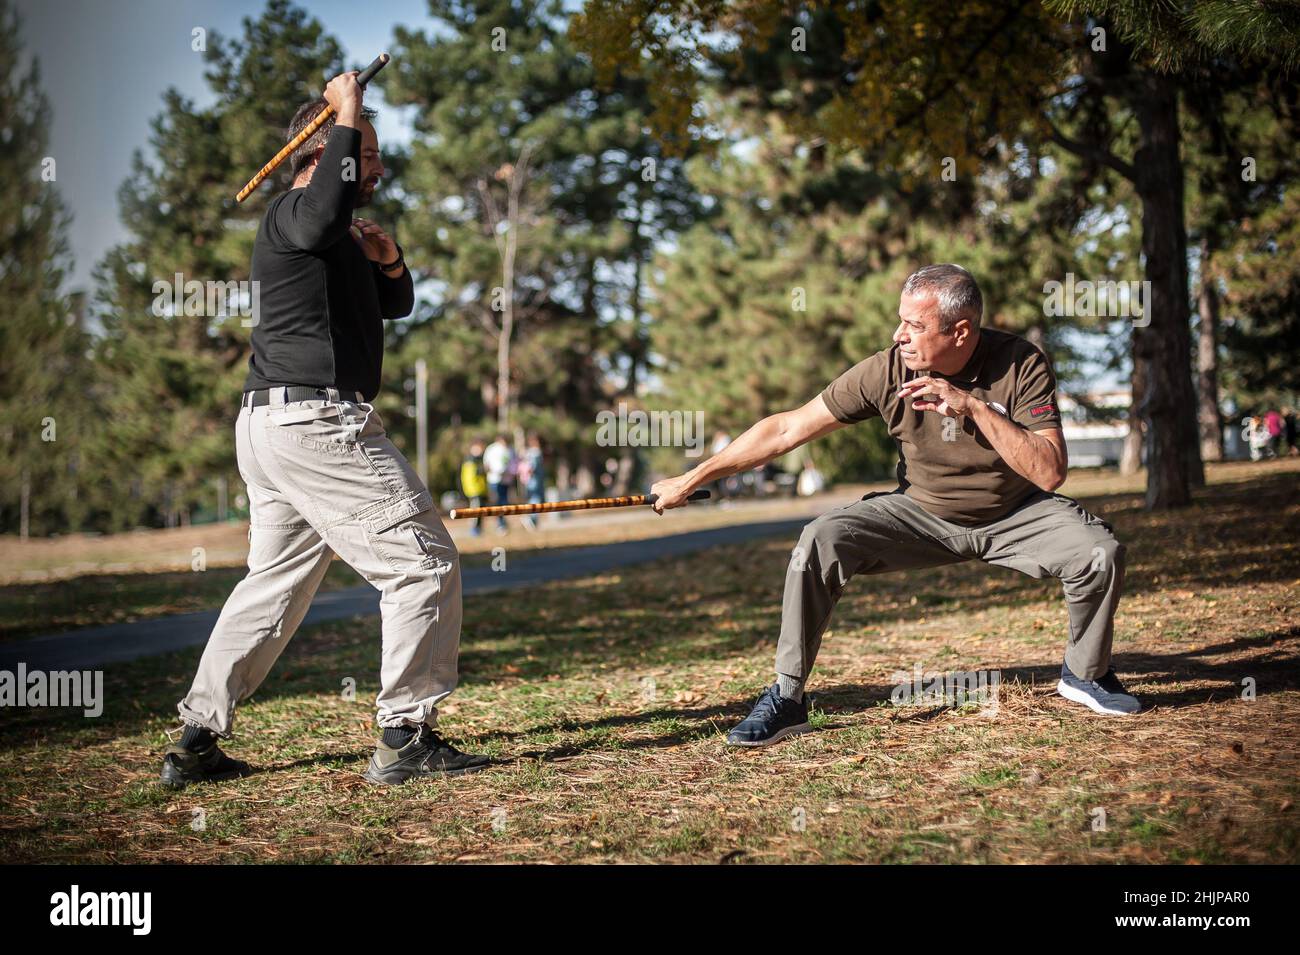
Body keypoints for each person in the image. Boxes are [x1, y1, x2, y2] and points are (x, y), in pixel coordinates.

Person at [652, 264, 1138, 748]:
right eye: (900, 320)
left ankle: (1085, 675)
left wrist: (972, 407)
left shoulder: (1019, 362)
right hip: (921, 513)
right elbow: (787, 429)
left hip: (1016, 514)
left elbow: (1050, 471)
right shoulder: (887, 369)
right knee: (821, 539)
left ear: (961, 330)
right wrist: (692, 478)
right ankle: (787, 697)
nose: (899, 334)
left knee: (1097, 550)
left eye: (916, 325)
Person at [161, 71, 488, 788]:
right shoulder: (292, 215)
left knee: (272, 584)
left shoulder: (334, 234)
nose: (376, 165)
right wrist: (348, 111)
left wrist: (389, 257)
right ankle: (405, 735)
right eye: (364, 151)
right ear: (320, 151)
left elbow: (396, 303)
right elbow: (322, 204)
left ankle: (195, 738)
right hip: (315, 422)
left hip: (275, 428)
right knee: (424, 561)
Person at [483, 434, 515, 533]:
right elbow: (486, 464)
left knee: (504, 501)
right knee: (497, 502)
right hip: (494, 480)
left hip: (506, 480)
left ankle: (502, 522)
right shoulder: (492, 449)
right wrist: (491, 471)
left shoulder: (510, 449)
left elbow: (513, 463)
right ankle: (500, 523)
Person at [460, 438, 489, 536]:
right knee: (475, 511)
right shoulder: (470, 460)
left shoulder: (478, 460)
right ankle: (474, 530)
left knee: (480, 511)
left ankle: (479, 529)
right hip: (474, 490)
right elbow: (470, 476)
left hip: (480, 490)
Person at [518, 434, 546, 530]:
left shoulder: (528, 453)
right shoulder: (535, 452)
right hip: (535, 480)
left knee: (532, 499)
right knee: (535, 499)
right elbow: (532, 467)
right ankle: (530, 518)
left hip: (530, 480)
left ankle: (532, 521)